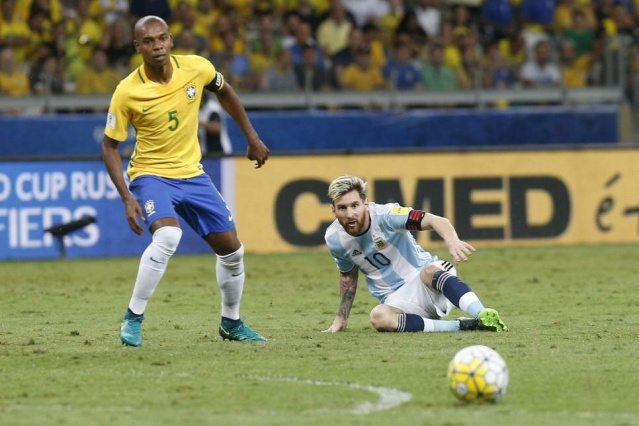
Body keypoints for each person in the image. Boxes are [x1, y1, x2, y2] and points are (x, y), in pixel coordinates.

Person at [101, 16, 270, 347]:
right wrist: (126, 197)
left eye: (162, 38)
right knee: (168, 235)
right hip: (151, 174)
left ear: (171, 40)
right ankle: (133, 318)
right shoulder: (127, 91)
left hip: (193, 174)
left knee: (233, 251)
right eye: (149, 41)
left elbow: (226, 91)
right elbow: (109, 146)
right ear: (137, 47)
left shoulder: (196, 68)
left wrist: (251, 137)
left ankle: (231, 323)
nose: (157, 46)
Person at [323, 175, 507, 334]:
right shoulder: (334, 239)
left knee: (429, 271)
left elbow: (435, 220)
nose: (350, 214)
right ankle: (463, 326)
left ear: (366, 203)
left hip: (427, 281)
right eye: (342, 208)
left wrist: (453, 242)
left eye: (355, 205)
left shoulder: (387, 215)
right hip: (397, 300)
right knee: (379, 316)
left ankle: (483, 314)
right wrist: (341, 318)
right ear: (333, 210)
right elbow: (348, 276)